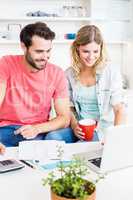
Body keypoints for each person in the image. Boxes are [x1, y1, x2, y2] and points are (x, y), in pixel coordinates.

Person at [0, 22, 72, 147]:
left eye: (48, 51)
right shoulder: (6, 64)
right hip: (6, 130)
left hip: (37, 132)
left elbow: (64, 118)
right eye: (39, 51)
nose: (45, 57)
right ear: (24, 47)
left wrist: (37, 129)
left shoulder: (57, 73)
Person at [65, 25, 125, 142]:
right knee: (53, 137)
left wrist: (115, 139)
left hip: (102, 129)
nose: (91, 57)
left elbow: (119, 109)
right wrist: (74, 125)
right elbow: (69, 107)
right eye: (86, 51)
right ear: (77, 48)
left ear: (101, 48)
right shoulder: (69, 74)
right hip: (79, 127)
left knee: (88, 144)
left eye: (95, 51)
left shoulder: (111, 71)